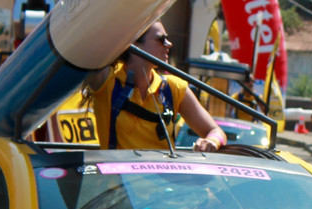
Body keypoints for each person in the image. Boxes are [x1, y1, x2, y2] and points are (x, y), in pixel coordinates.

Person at [86, 22, 224, 152]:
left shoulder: (173, 87)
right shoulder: (107, 83)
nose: (169, 44)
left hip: (162, 176)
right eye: (161, 39)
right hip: (119, 177)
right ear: (134, 44)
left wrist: (212, 140)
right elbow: (90, 39)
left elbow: (216, 131)